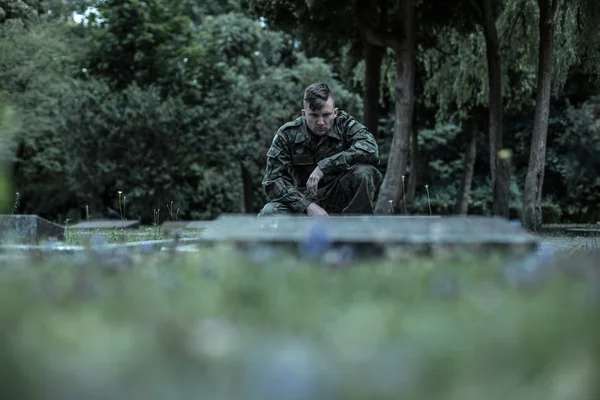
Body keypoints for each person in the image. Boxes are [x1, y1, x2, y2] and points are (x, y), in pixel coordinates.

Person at [257, 82, 381, 217]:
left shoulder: (345, 125)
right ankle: (297, 236)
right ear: (304, 114)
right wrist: (307, 205)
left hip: (341, 197)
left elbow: (370, 149)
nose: (321, 122)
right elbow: (273, 181)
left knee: (364, 172)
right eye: (314, 115)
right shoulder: (287, 134)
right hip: (304, 200)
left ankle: (357, 232)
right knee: (268, 214)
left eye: (326, 115)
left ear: (335, 112)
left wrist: (324, 167)